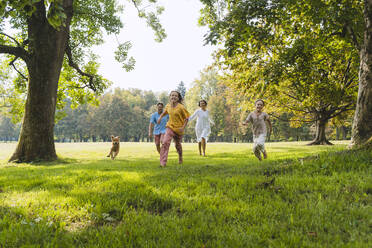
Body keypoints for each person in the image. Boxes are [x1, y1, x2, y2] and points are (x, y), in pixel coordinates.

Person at [157, 91, 190, 167]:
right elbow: (165, 112)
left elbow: (187, 118)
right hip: (170, 127)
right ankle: (163, 163)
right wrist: (160, 117)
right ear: (170, 97)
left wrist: (183, 127)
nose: (173, 97)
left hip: (179, 129)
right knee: (165, 142)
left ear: (178, 98)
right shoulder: (168, 106)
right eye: (172, 95)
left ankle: (180, 156)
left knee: (177, 145)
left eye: (175, 96)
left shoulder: (181, 107)